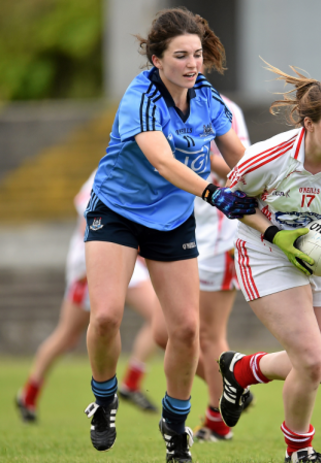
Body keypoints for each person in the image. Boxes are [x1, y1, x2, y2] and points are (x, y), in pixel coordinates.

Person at [82, 7, 256, 463]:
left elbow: (239, 159)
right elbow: (162, 161)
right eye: (181, 55)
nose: (193, 63)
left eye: (197, 54)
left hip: (172, 219)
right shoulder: (140, 97)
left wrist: (285, 187)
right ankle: (104, 400)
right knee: (105, 317)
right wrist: (216, 195)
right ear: (157, 60)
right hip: (117, 212)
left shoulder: (206, 97)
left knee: (185, 329)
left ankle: (175, 426)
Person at [217, 62, 321, 463]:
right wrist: (276, 234)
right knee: (310, 360)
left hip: (320, 253)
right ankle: (299, 451)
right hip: (265, 251)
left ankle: (242, 370)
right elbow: (231, 200)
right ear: (308, 124)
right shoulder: (267, 158)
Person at [15, 171, 161, 423]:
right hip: (93, 258)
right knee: (68, 335)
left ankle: (132, 382)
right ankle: (28, 393)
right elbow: (90, 222)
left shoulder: (147, 170)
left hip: (128, 257)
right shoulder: (106, 172)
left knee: (161, 317)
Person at [191, 96, 254, 442]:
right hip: (184, 229)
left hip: (220, 233)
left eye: (195, 54)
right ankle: (235, 389)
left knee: (207, 333)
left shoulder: (221, 107)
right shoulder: (155, 103)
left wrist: (190, 155)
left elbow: (240, 167)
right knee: (165, 332)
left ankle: (218, 419)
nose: (190, 63)